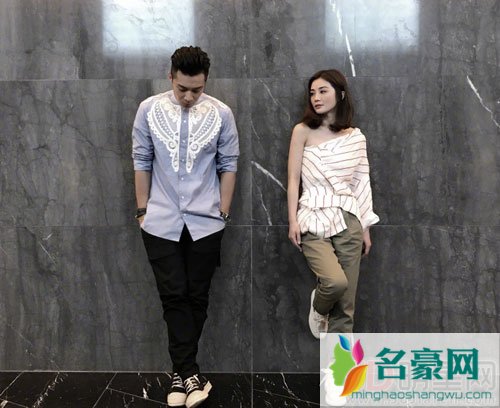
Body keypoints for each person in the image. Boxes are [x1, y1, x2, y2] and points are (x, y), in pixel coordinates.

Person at [132, 46, 239, 407]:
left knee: (197, 295)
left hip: (207, 222)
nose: (189, 96)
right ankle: (189, 373)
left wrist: (223, 213)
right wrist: (143, 210)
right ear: (170, 77)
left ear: (205, 82)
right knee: (173, 294)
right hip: (159, 221)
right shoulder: (149, 109)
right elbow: (141, 158)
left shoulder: (221, 113)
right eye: (182, 89)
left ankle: (181, 376)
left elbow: (228, 164)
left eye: (197, 89)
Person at [287, 69, 379, 337]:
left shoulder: (355, 137)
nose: (316, 97)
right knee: (335, 283)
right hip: (312, 216)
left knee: (345, 309)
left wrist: (365, 227)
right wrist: (293, 220)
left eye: (322, 91)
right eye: (312, 93)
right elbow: (293, 179)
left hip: (349, 220)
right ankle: (318, 307)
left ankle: (338, 366)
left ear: (340, 94)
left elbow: (361, 183)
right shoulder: (302, 131)